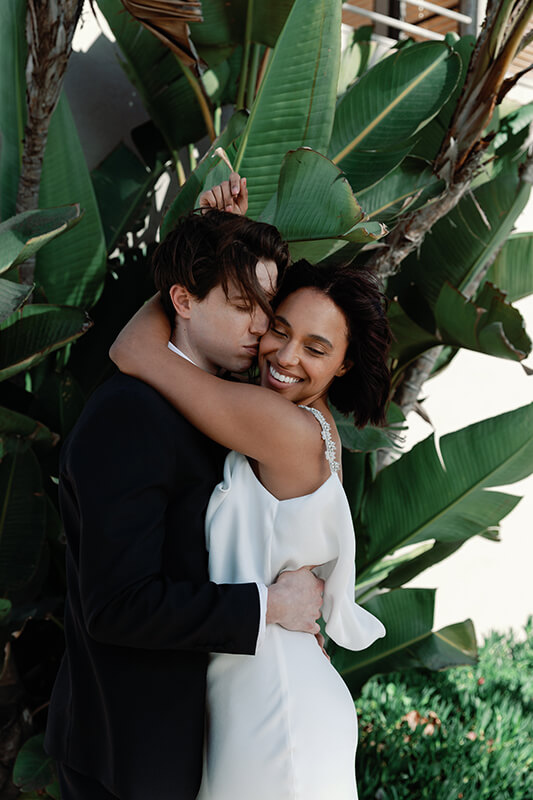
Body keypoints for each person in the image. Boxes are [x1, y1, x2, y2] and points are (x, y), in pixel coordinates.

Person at [44, 196, 326, 800]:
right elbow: (116, 605)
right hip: (127, 757)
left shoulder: (212, 403)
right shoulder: (129, 415)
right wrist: (267, 608)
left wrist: (213, 234)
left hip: (190, 742)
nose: (261, 328)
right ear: (182, 300)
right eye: (241, 305)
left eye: (266, 309)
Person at [109, 214, 392, 798]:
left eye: (315, 348)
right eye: (278, 327)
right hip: (264, 679)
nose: (284, 355)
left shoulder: (280, 427)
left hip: (275, 698)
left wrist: (191, 276)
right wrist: (221, 239)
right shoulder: (301, 421)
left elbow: (135, 348)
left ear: (342, 365)